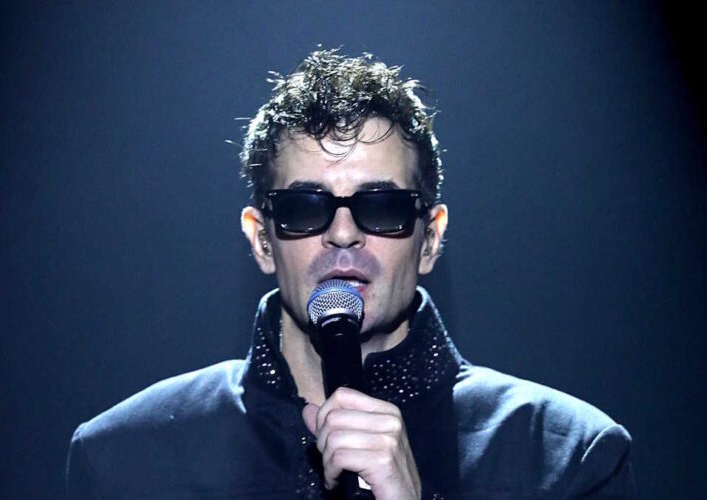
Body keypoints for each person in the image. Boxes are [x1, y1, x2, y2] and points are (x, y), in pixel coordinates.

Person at [66, 49, 636, 499]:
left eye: (381, 207)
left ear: (430, 238)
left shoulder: (563, 458)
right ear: (261, 239)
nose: (342, 233)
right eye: (304, 208)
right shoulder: (125, 459)